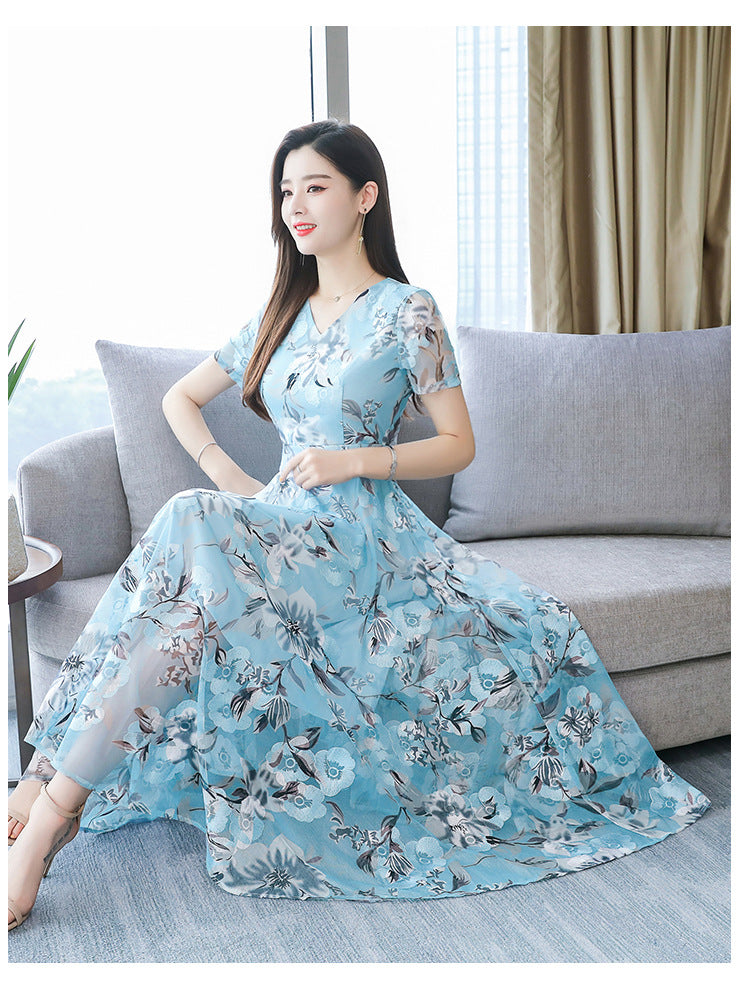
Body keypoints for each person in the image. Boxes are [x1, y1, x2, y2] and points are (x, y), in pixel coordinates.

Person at [8, 119, 711, 928]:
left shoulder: (407, 311)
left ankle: (42, 803)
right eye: (285, 190)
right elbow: (179, 398)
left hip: (367, 542)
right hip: (281, 527)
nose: (295, 206)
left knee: (188, 536)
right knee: (189, 579)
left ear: (364, 197)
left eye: (315, 187)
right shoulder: (282, 309)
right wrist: (237, 479)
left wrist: (356, 461)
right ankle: (46, 804)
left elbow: (459, 443)